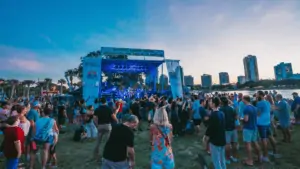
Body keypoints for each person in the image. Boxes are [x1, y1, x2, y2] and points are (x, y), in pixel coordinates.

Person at [150, 102, 175, 169]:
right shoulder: (169, 126)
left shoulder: (153, 127)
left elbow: (151, 139)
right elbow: (171, 139)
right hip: (167, 150)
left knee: (156, 165)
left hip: (157, 151)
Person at [93, 97, 117, 161]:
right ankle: (108, 154)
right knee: (108, 141)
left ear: (100, 102)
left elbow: (94, 118)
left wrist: (97, 126)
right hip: (107, 126)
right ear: (105, 101)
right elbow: (114, 117)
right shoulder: (109, 109)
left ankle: (95, 155)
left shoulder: (97, 109)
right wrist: (117, 121)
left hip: (100, 126)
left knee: (98, 141)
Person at [205, 97, 226, 169]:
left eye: (211, 102)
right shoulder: (222, 113)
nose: (209, 103)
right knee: (222, 159)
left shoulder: (213, 115)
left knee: (216, 161)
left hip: (215, 141)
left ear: (213, 104)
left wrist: (206, 136)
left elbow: (211, 128)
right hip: (222, 139)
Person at [242, 95, 261, 166]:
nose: (242, 100)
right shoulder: (254, 107)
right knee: (255, 142)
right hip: (254, 127)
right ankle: (260, 157)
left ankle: (250, 160)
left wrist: (242, 119)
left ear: (245, 100)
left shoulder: (246, 108)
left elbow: (246, 119)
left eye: (242, 99)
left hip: (248, 128)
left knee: (248, 144)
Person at [220, 97, 238, 164]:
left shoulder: (220, 109)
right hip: (233, 128)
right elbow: (236, 118)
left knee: (227, 144)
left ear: (221, 102)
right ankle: (234, 157)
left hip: (226, 129)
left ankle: (227, 159)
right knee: (234, 143)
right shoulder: (232, 108)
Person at [256, 91, 271, 162]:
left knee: (263, 139)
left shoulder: (259, 103)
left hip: (261, 123)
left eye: (257, 95)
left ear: (261, 95)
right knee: (267, 138)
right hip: (267, 122)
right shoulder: (267, 102)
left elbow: (258, 113)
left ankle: (265, 156)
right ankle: (267, 152)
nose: (256, 96)